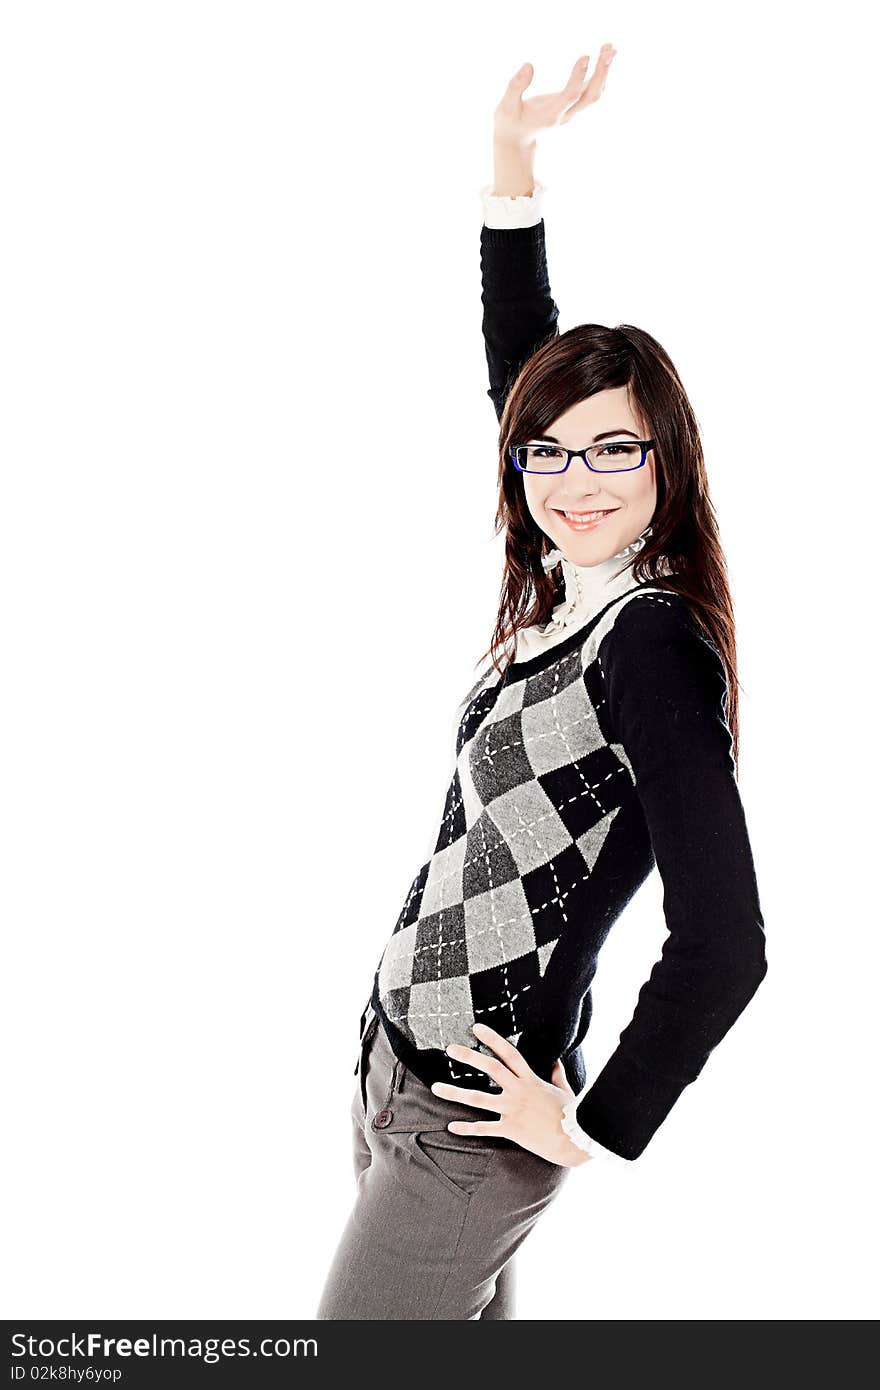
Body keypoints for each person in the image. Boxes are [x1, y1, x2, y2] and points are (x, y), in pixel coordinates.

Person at [315, 44, 768, 1321]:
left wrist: (594, 1125)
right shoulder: (574, 592)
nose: (577, 480)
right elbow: (524, 366)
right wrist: (513, 162)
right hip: (394, 1075)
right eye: (547, 455)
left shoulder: (648, 643)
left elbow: (725, 941)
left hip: (473, 1129)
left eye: (616, 447)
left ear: (668, 458)